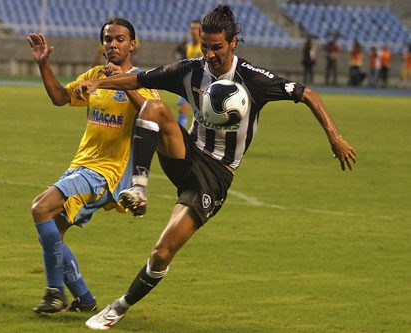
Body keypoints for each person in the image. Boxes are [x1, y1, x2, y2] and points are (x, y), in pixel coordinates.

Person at [74, 5, 357, 330]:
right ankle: (138, 189)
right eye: (205, 46)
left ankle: (118, 307)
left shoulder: (253, 79)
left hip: (215, 178)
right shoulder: (190, 70)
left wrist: (334, 137)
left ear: (233, 42)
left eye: (216, 47)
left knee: (162, 253)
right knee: (153, 107)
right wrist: (99, 85)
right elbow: (139, 78)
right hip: (188, 154)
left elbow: (307, 93)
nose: (209, 54)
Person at [26, 18, 159, 315]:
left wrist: (121, 83)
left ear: (132, 44)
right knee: (53, 231)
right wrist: (44, 64)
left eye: (120, 39)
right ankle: (85, 300)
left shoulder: (144, 80)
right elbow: (61, 98)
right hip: (81, 166)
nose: (112, 44)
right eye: (108, 39)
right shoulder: (94, 75)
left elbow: (152, 115)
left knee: (40, 208)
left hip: (107, 175)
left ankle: (54, 294)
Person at [176, 20, 202, 128]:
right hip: (189, 82)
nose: (194, 31)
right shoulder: (189, 46)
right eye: (192, 28)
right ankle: (180, 136)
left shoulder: (204, 47)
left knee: (203, 115)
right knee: (183, 109)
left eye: (196, 28)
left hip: (202, 84)